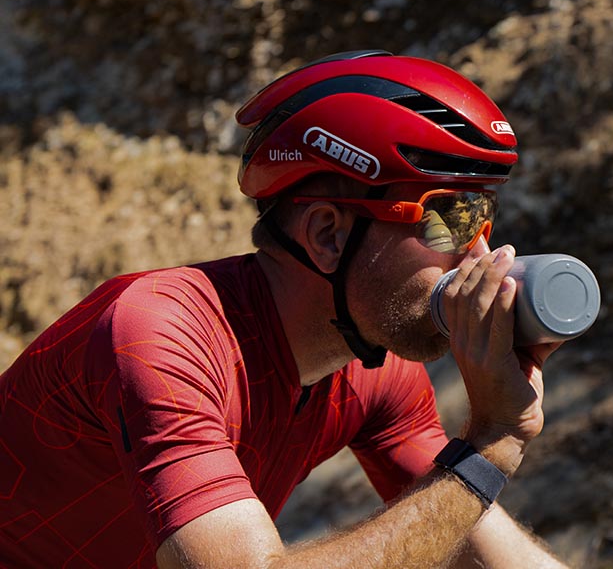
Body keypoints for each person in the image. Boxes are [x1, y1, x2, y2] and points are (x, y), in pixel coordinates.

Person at [0, 50, 568, 568]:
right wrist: (491, 442)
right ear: (327, 233)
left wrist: (492, 443)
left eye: (484, 217)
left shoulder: (378, 374)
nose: (482, 253)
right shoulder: (160, 335)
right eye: (451, 218)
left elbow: (495, 552)